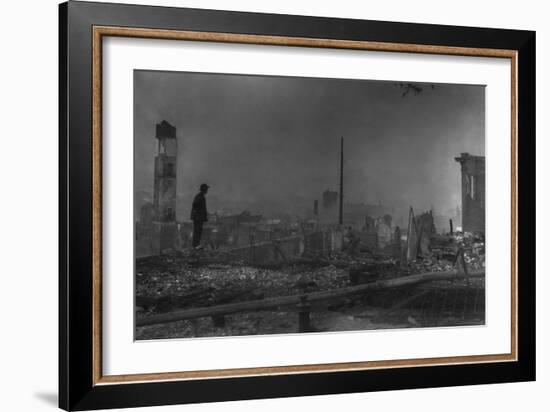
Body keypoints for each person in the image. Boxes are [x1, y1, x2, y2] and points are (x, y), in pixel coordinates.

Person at [190, 183, 209, 249]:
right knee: (197, 231)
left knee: (198, 230)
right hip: (198, 218)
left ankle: (196, 245)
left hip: (198, 217)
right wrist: (199, 214)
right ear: (204, 190)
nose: (207, 191)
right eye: (206, 189)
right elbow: (195, 205)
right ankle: (196, 245)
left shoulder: (200, 196)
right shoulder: (200, 197)